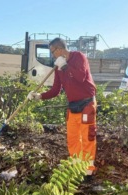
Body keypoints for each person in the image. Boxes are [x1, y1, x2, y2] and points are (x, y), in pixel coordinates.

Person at [27, 38, 97, 178]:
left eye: (53, 52)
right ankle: (76, 165)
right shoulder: (58, 67)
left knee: (87, 136)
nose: (52, 55)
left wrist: (65, 66)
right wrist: (39, 96)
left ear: (59, 49)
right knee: (73, 137)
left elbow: (81, 77)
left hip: (87, 103)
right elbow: (55, 90)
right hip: (73, 105)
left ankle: (88, 169)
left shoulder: (79, 57)